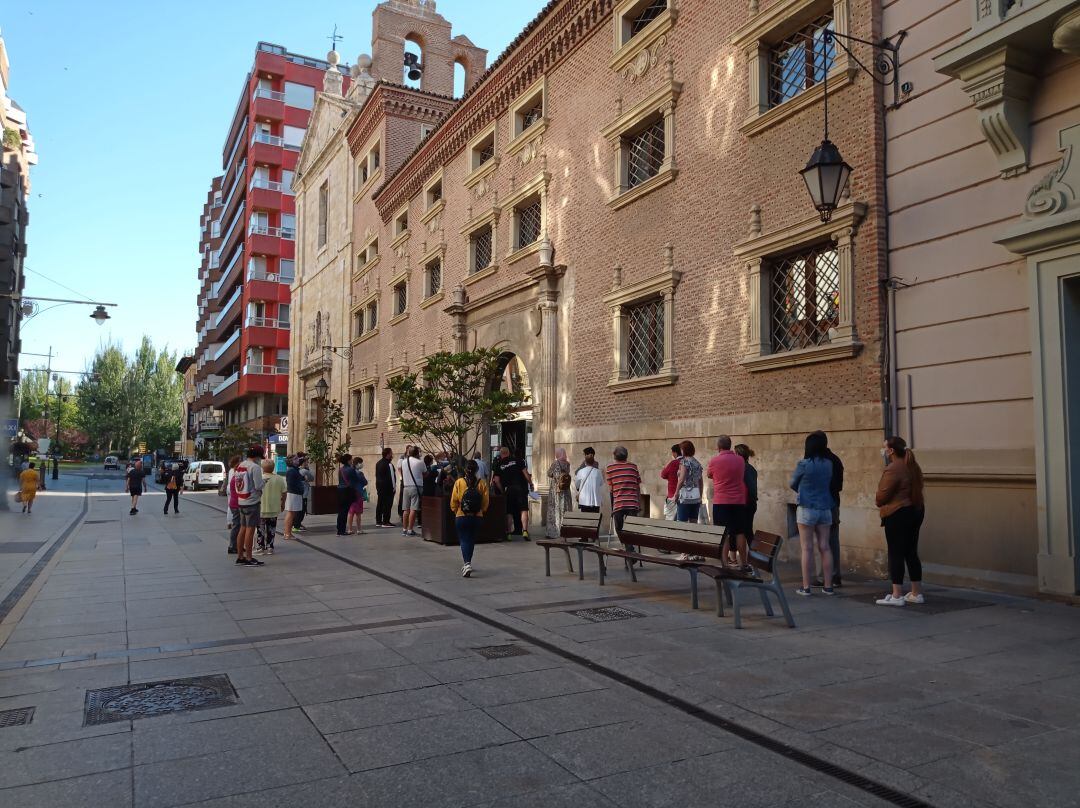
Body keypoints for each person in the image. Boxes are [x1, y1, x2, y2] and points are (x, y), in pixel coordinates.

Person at [875, 436, 926, 606]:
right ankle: (916, 593)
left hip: (898, 512)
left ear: (891, 451)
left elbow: (881, 496)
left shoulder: (893, 468)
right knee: (911, 551)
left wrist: (879, 500)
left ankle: (897, 595)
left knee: (895, 552)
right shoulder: (912, 465)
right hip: (915, 510)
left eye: (884, 448)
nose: (883, 451)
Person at [790, 432, 836, 596]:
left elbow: (792, 482)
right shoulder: (829, 464)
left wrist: (803, 490)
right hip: (825, 507)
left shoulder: (804, 464)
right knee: (825, 546)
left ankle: (806, 586)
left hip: (807, 507)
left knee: (807, 548)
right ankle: (829, 586)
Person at [707, 436, 748, 568]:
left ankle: (725, 564)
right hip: (739, 501)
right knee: (740, 532)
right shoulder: (740, 460)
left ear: (719, 447)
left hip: (721, 502)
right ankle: (744, 563)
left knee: (723, 533)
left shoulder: (714, 460)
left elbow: (709, 474)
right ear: (730, 446)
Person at [813, 431, 845, 588]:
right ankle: (835, 574)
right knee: (832, 540)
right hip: (833, 502)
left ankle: (824, 576)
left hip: (823, 503)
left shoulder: (820, 461)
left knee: (822, 542)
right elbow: (839, 485)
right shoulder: (835, 460)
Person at [450, 459, 490, 578]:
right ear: (477, 470)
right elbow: (486, 502)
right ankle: (468, 562)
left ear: (465, 469)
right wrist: (481, 511)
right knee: (471, 539)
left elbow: (453, 501)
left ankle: (467, 563)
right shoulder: (482, 483)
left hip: (461, 516)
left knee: (464, 539)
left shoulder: (459, 482)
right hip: (477, 517)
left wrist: (456, 510)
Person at [233, 446, 266, 566]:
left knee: (242, 528)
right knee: (250, 530)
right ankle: (249, 558)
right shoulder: (255, 467)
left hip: (241, 500)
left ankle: (240, 556)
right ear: (257, 456)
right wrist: (265, 482)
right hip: (252, 502)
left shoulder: (241, 465)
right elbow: (258, 486)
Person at [492, 446, 533, 540]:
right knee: (523, 510)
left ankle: (509, 533)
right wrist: (530, 483)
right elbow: (526, 474)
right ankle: (525, 531)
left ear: (501, 454)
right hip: (520, 488)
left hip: (509, 490)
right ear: (509, 453)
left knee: (509, 512)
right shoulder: (518, 461)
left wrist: (502, 491)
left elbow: (496, 480)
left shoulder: (499, 464)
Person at [605, 446, 641, 547]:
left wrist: (612, 507)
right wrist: (639, 503)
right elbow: (637, 486)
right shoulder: (633, 467)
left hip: (618, 504)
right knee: (631, 529)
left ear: (614, 456)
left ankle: (627, 547)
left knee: (619, 528)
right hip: (632, 503)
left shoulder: (610, 469)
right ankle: (630, 548)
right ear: (626, 455)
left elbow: (611, 490)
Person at [258, 458, 286, 555]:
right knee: (272, 528)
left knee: (260, 529)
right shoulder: (279, 478)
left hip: (261, 508)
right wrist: (283, 504)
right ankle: (270, 547)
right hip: (274, 509)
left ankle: (261, 546)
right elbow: (284, 492)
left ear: (263, 468)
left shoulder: (259, 478)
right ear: (273, 468)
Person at [546, 448, 574, 538]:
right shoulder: (567, 464)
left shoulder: (555, 463)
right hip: (565, 490)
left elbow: (549, 473)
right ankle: (566, 531)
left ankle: (555, 532)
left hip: (556, 490)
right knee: (565, 509)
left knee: (555, 509)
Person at [674, 440, 703, 523]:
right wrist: (700, 496)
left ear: (684, 450)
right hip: (696, 496)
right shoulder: (697, 463)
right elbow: (700, 481)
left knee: (682, 523)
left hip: (685, 496)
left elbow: (681, 479)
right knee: (693, 522)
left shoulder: (684, 462)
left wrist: (676, 493)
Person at [400, 446, 426, 537]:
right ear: (417, 453)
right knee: (413, 509)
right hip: (416, 486)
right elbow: (425, 473)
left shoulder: (403, 462)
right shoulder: (420, 462)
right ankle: (410, 530)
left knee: (405, 509)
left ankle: (404, 529)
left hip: (406, 487)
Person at [734, 444, 758, 543]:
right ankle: (752, 555)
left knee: (744, 531)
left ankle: (753, 555)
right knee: (747, 530)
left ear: (738, 454)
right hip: (751, 503)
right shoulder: (751, 468)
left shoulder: (742, 468)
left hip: (745, 503)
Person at [283, 455, 304, 540]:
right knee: (291, 513)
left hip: (295, 493)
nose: (298, 459)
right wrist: (299, 489)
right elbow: (291, 484)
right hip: (294, 494)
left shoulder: (294, 470)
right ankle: (287, 533)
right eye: (295, 459)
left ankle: (287, 532)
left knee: (292, 513)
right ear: (291, 461)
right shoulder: (291, 471)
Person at [660, 444, 682, 521]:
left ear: (675, 453)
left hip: (673, 496)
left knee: (670, 521)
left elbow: (663, 474)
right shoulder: (687, 462)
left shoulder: (673, 463)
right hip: (685, 497)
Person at [336, 453, 357, 536]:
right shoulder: (350, 469)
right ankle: (342, 530)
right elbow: (355, 480)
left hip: (340, 491)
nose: (352, 461)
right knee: (345, 512)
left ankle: (339, 529)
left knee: (341, 511)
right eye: (351, 459)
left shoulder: (340, 469)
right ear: (348, 460)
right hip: (347, 491)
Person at [375, 447, 396, 527]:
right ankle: (386, 521)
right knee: (387, 504)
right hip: (388, 488)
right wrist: (394, 488)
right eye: (391, 453)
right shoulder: (389, 464)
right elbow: (392, 477)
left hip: (380, 487)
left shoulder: (378, 463)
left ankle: (378, 521)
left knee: (380, 504)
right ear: (388, 454)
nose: (392, 454)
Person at [225, 455, 242, 554]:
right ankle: (232, 546)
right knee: (237, 525)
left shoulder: (234, 474)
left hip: (235, 502)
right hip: (237, 503)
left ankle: (237, 545)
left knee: (238, 525)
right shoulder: (236, 476)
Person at [347, 456, 369, 535]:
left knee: (351, 512)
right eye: (361, 463)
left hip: (351, 493)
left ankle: (349, 529)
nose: (362, 464)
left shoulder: (349, 471)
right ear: (357, 463)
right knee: (358, 512)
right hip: (358, 493)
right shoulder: (360, 473)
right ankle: (359, 529)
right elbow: (365, 482)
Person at [295, 455, 313, 532]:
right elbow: (312, 478)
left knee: (298, 510)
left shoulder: (297, 470)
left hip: (298, 493)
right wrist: (308, 469)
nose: (307, 463)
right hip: (304, 494)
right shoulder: (305, 471)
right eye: (306, 462)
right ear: (303, 463)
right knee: (302, 511)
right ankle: (296, 526)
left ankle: (297, 524)